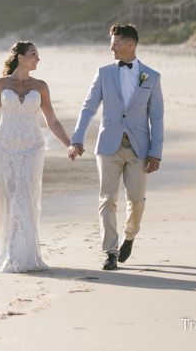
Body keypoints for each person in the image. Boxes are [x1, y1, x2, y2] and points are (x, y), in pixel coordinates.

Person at [0, 41, 78, 273]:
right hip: (5, 146)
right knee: (8, 197)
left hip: (32, 148)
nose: (37, 59)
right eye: (33, 54)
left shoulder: (41, 86)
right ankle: (10, 251)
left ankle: (26, 254)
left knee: (25, 196)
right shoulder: (1, 84)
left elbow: (52, 120)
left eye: (38, 55)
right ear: (20, 57)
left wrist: (69, 144)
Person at [69, 23, 164, 271]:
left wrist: (156, 152)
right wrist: (77, 138)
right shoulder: (103, 73)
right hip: (108, 145)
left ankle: (129, 236)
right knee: (107, 199)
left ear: (130, 44)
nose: (112, 48)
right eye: (111, 43)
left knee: (136, 199)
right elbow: (88, 107)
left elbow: (157, 117)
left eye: (116, 43)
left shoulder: (151, 76)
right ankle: (110, 251)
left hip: (139, 148)